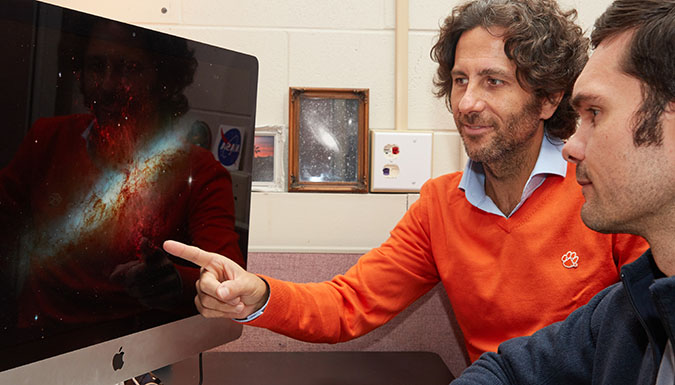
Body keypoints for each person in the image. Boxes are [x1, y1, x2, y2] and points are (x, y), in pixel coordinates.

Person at [163, 0, 648, 362]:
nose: (467, 103)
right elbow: (349, 304)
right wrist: (259, 296)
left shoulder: (602, 195)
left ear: (547, 100)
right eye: (460, 80)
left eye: (493, 81)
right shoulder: (440, 206)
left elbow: (648, 341)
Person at [447, 0, 675, 383]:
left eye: (595, 114)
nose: (570, 146)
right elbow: (507, 368)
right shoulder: (625, 307)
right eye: (459, 81)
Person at [0, 12, 243, 341]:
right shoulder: (48, 140)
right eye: (97, 67)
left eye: (130, 69)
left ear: (163, 80)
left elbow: (232, 284)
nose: (110, 85)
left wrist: (176, 283)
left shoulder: (201, 173)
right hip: (41, 348)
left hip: (142, 350)